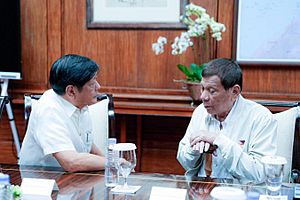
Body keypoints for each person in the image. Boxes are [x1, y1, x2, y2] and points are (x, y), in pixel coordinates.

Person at [177, 58, 277, 181]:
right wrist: (194, 149)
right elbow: (184, 162)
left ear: (235, 92)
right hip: (202, 192)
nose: (203, 97)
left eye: (212, 91)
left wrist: (219, 140)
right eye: (203, 88)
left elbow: (261, 173)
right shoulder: (201, 111)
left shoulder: (261, 118)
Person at [19, 54, 105, 172]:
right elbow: (70, 162)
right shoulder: (49, 109)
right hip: (44, 183)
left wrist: (114, 166)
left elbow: (87, 144)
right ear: (71, 91)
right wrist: (114, 162)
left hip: (74, 180)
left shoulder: (80, 103)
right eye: (92, 84)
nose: (98, 86)